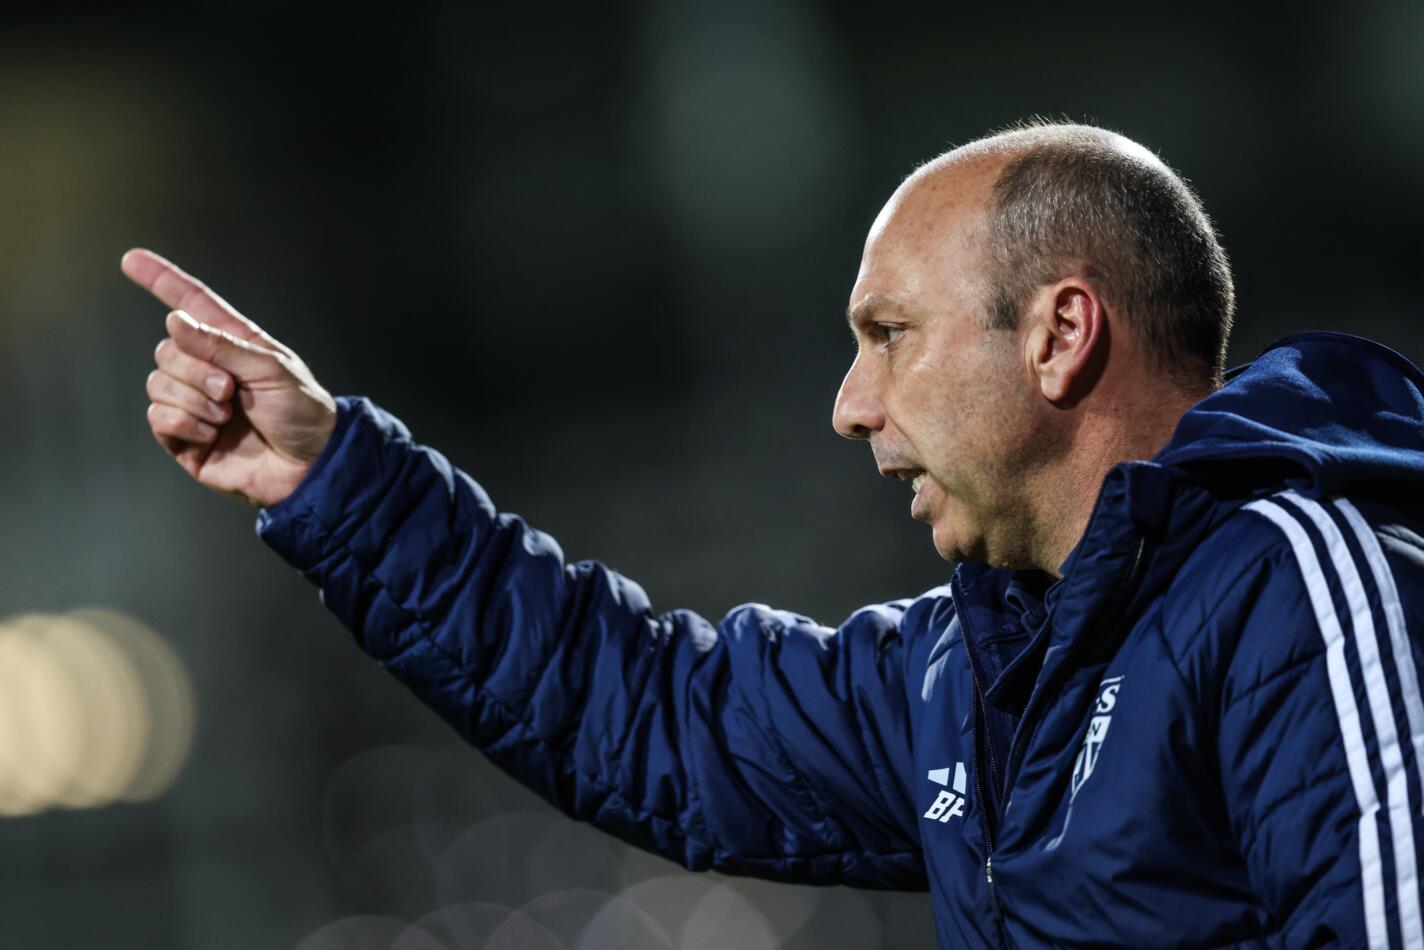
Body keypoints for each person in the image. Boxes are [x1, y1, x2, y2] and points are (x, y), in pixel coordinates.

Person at [126, 121, 1424, 948]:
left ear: (1060, 334)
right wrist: (330, 477)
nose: (852, 406)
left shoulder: (1303, 588)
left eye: (890, 336)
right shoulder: (963, 675)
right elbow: (651, 713)